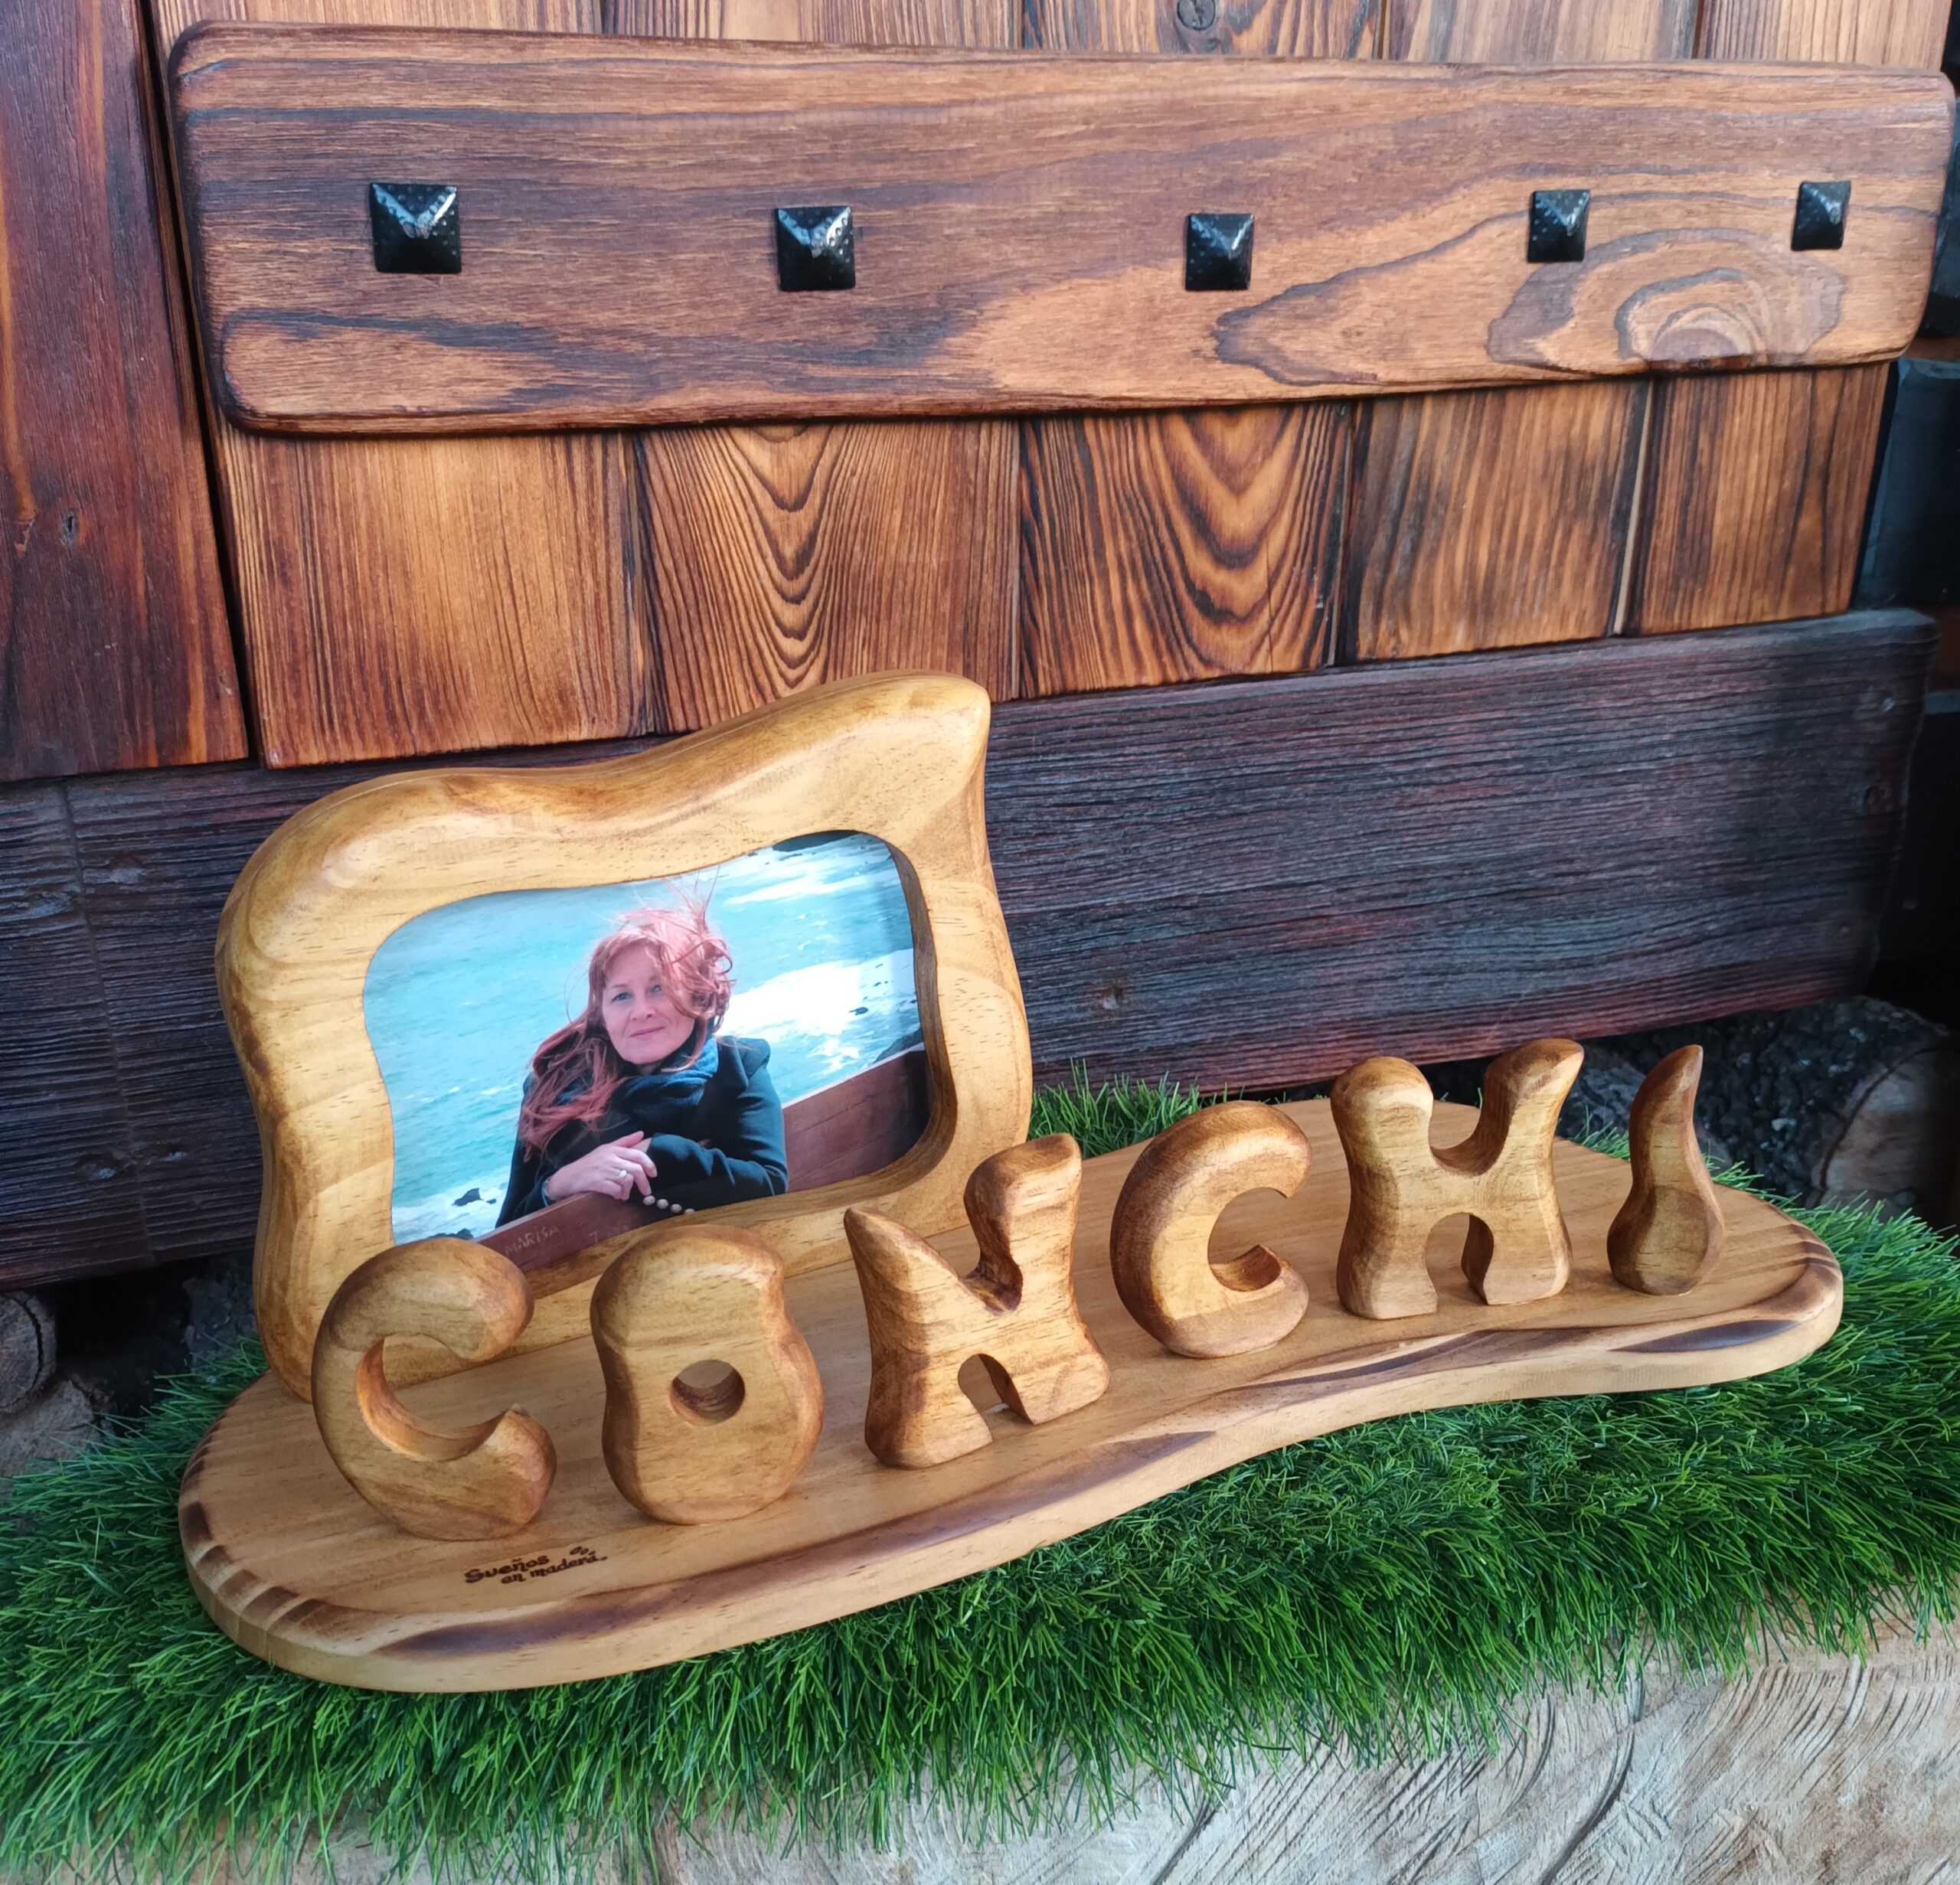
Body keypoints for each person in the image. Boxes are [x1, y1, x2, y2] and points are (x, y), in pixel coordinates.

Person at [495, 901, 787, 1227]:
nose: (641, 1011)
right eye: (621, 996)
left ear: (697, 996)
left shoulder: (738, 1067)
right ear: (602, 1014)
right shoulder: (553, 1088)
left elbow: (770, 1182)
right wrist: (559, 1184)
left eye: (658, 988)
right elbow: (508, 1232)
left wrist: (660, 1153)